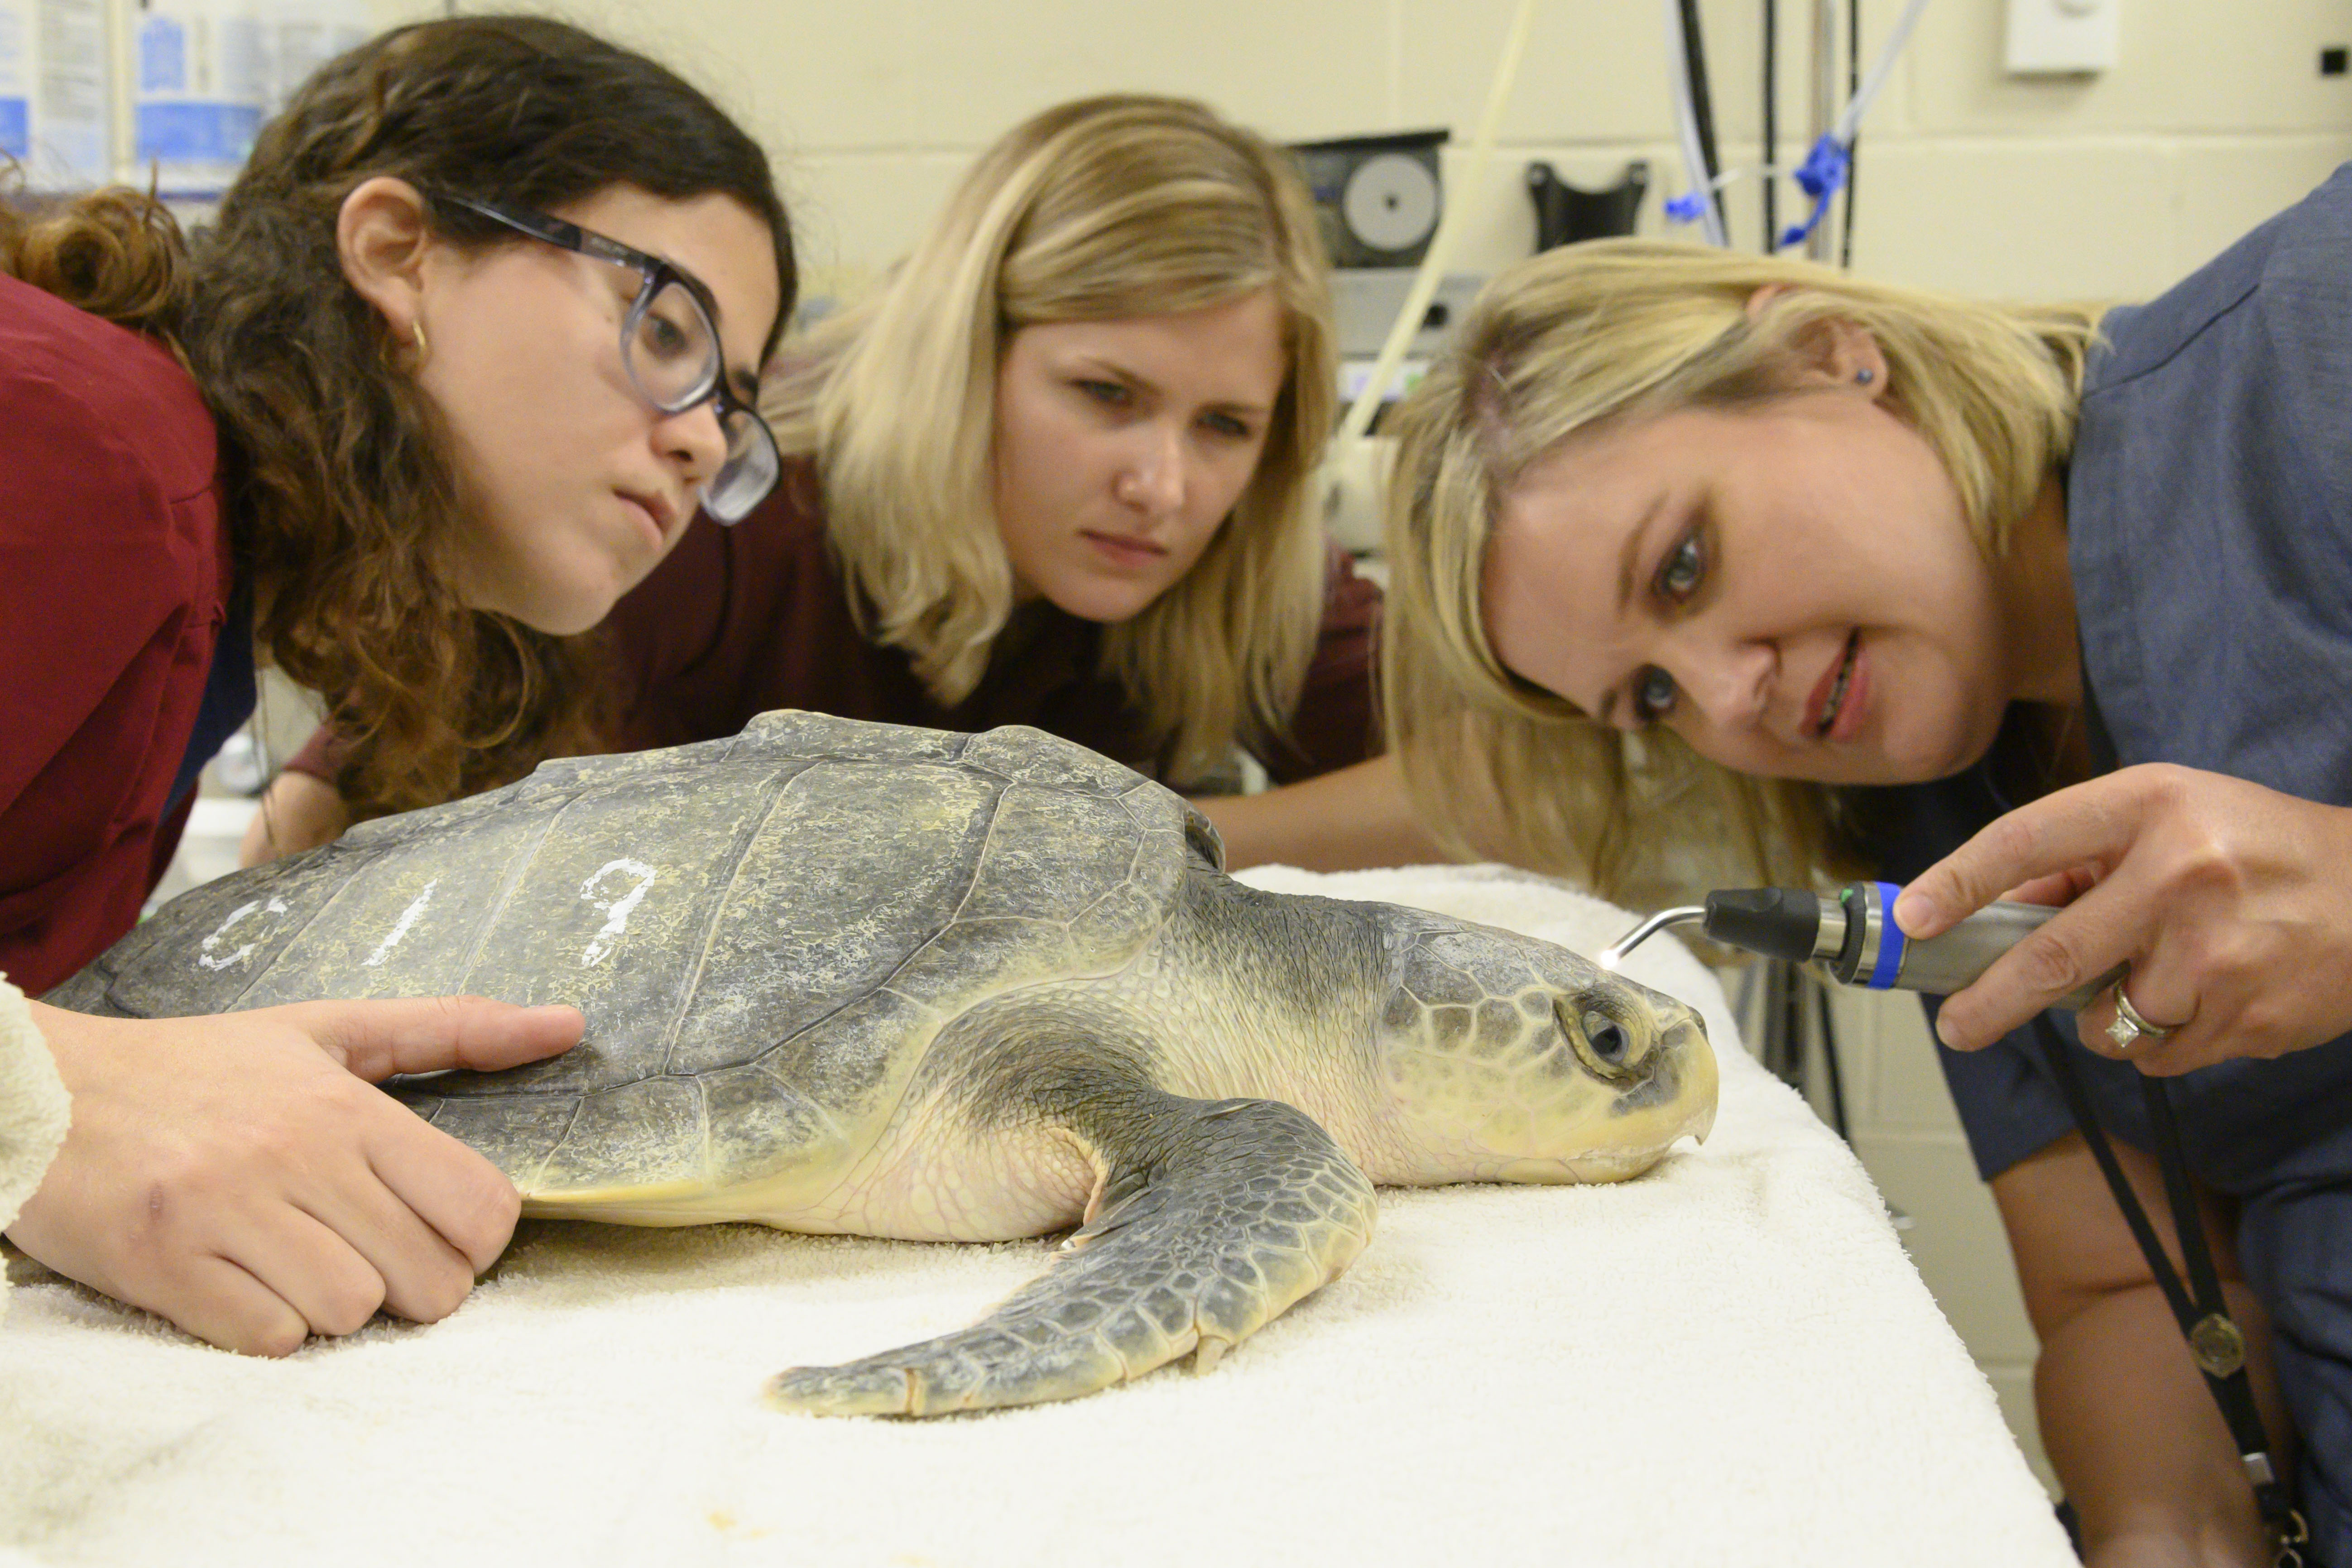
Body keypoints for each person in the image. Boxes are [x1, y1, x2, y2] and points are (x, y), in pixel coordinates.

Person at [1378, 165, 2352, 1567]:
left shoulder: (2308, 343)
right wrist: (2162, 1527)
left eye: (1684, 565)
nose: (1726, 703)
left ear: (1826, 355)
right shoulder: (1942, 838)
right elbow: (2114, 1291)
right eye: (1651, 701)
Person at [1, 15, 795, 1358]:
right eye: (667, 328)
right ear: (395, 251)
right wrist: (50, 1098)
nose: (703, 437)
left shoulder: (189, 564)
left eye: (738, 410)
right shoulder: (86, 451)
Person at [247, 94, 1440, 874]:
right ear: (968, 358)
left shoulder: (1222, 555)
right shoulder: (726, 504)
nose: (1162, 486)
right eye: (1103, 395)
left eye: (1226, 425)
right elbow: (395, 832)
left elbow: (1483, 787)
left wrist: (1117, 847)